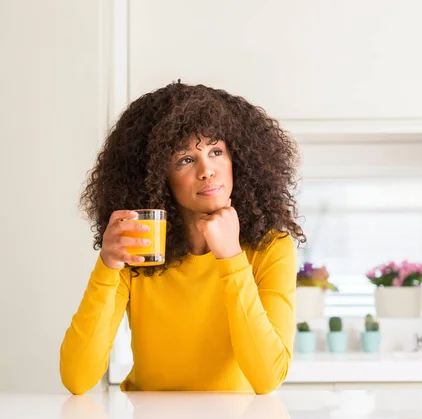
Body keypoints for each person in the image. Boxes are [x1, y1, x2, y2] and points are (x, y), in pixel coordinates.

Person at [60, 81, 306, 395]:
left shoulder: (270, 248)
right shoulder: (140, 245)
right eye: (185, 160)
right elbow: (77, 378)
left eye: (216, 151)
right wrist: (107, 266)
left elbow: (268, 377)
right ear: (157, 177)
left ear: (238, 162)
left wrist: (231, 257)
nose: (207, 170)